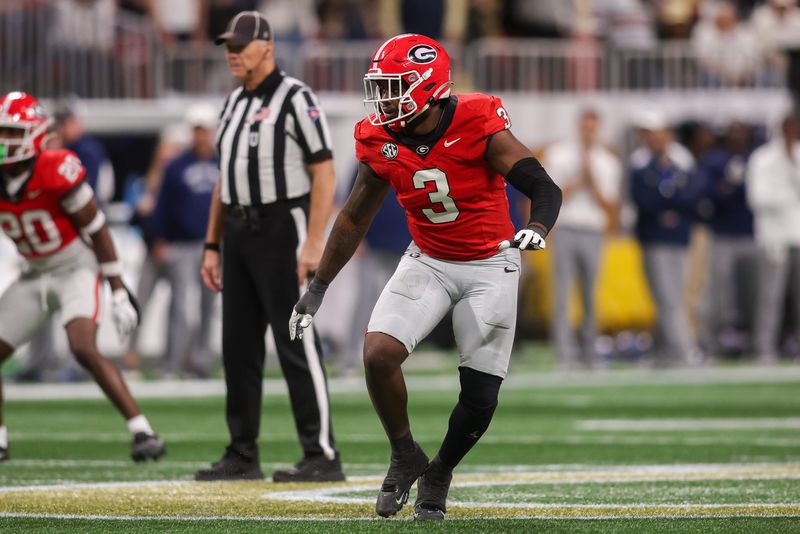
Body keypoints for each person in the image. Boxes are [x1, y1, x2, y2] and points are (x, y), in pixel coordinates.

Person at [289, 34, 562, 520]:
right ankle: (405, 454)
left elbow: (542, 185)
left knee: (480, 396)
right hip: (429, 258)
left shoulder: (476, 119)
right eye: (380, 87)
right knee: (378, 353)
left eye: (393, 87)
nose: (383, 98)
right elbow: (354, 217)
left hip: (490, 263)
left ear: (427, 86)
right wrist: (319, 287)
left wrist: (537, 228)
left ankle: (440, 472)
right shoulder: (378, 137)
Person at [195, 11, 343, 482]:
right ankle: (242, 453)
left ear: (268, 47)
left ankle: (322, 454)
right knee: (237, 347)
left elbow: (325, 171)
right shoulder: (232, 103)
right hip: (238, 229)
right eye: (228, 46)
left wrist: (314, 241)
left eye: (241, 45)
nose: (232, 54)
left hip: (283, 226)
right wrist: (212, 243)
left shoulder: (296, 97)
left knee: (296, 339)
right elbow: (225, 179)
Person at [0, 91, 165, 462]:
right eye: (2, 132)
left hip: (75, 266)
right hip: (33, 272)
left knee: (83, 347)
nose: (5, 141)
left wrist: (118, 289)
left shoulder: (55, 167)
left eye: (13, 133)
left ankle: (143, 430)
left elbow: (97, 228)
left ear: (35, 135)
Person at [543, 109, 622, 370]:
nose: (588, 133)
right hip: (566, 228)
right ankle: (564, 354)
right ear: (579, 127)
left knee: (590, 295)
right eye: (585, 127)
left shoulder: (608, 162)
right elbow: (551, 195)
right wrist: (578, 180)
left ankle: (590, 353)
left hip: (592, 231)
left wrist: (593, 181)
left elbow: (609, 205)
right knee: (562, 295)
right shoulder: (559, 154)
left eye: (593, 128)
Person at [147, 103, 219, 378]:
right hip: (182, 244)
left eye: (205, 130)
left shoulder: (222, 163)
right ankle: (171, 362)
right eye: (197, 130)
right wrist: (159, 238)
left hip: (213, 245)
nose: (201, 135)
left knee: (208, 306)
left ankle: (200, 361)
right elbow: (162, 205)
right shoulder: (176, 166)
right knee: (179, 305)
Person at [630, 112, 704, 367]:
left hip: (679, 239)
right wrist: (670, 205)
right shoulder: (641, 167)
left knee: (672, 298)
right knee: (665, 297)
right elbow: (644, 202)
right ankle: (681, 349)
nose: (657, 142)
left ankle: (673, 350)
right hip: (654, 239)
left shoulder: (681, 165)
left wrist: (667, 205)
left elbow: (692, 198)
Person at [746, 112, 800, 363]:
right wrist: (789, 198)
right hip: (774, 237)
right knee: (770, 295)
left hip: (798, 234)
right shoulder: (763, 158)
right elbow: (757, 198)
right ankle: (764, 347)